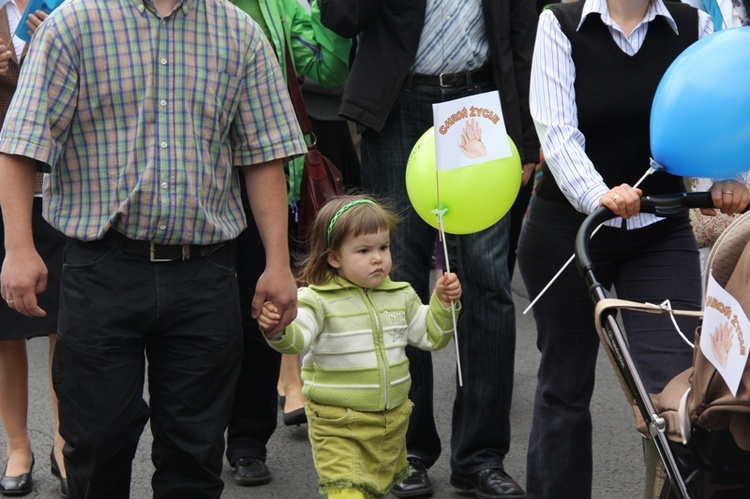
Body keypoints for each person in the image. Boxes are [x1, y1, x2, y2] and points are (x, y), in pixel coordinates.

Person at [0, 0, 307, 496]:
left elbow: (264, 153)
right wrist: (18, 247)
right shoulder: (74, 24)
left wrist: (277, 262)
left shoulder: (240, 32)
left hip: (204, 273)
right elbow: (21, 143)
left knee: (195, 453)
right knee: (96, 442)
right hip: (100, 268)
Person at [516, 0, 748, 498]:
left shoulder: (693, 23)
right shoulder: (559, 24)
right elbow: (557, 135)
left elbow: (711, 106)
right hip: (570, 230)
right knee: (565, 385)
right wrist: (598, 194)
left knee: (678, 392)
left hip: (659, 231)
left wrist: (726, 179)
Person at [318, 1, 539, 497]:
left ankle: (481, 457)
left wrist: (524, 137)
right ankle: (406, 452)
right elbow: (338, 17)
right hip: (398, 106)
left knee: (487, 282)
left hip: (479, 105)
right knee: (395, 278)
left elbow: (523, 30)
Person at [257, 194, 463, 499]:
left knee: (374, 491)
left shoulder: (401, 295)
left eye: (383, 247)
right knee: (348, 492)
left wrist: (444, 304)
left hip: (390, 424)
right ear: (334, 257)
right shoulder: (317, 300)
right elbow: (297, 338)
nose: (378, 257)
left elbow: (432, 336)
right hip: (338, 424)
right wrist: (277, 328)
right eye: (364, 250)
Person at [224, 0, 351, 487]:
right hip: (195, 178)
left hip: (266, 175)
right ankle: (198, 435)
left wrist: (328, 11)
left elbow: (330, 67)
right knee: (202, 316)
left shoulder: (278, 6)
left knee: (259, 309)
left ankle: (248, 443)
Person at [0, 5, 67, 498]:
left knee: (67, 323)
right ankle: (18, 444)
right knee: (5, 330)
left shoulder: (72, 8)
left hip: (65, 184)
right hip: (3, 186)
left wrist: (55, 48)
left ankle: (65, 439)